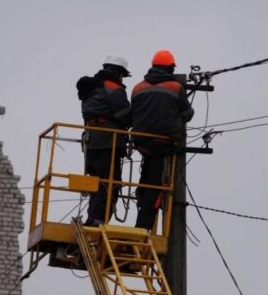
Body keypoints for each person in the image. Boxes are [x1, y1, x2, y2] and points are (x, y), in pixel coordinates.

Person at [131, 49, 194, 230]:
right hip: (163, 143)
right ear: (171, 69)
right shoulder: (175, 88)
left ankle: (141, 201)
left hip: (141, 142)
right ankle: (143, 226)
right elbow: (188, 114)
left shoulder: (137, 88)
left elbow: (134, 113)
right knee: (156, 186)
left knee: (148, 177)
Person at [76, 54, 132, 226]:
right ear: (118, 72)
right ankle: (98, 220)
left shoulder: (90, 88)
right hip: (108, 142)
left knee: (96, 182)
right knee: (110, 183)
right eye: (122, 75)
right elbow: (126, 117)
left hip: (91, 141)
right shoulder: (114, 89)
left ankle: (92, 218)